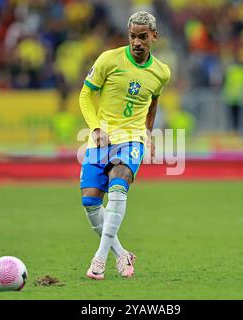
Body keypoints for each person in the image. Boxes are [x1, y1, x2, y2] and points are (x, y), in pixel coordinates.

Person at [78, 11, 171, 280]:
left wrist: (148, 135)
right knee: (90, 202)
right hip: (102, 137)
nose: (137, 42)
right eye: (133, 36)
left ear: (154, 36)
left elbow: (153, 103)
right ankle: (121, 254)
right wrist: (95, 127)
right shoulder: (109, 59)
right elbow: (85, 95)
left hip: (132, 139)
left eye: (143, 37)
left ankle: (99, 259)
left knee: (118, 184)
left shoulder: (162, 72)